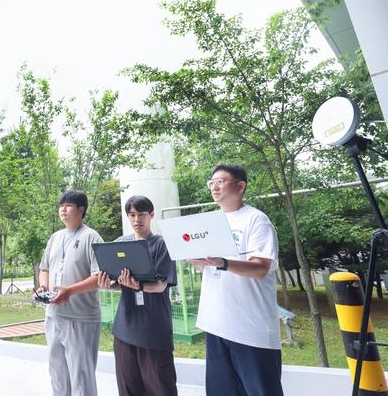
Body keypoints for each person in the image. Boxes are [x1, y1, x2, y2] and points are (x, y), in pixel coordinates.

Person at [188, 164, 283, 396]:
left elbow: (261, 268)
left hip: (250, 329)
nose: (214, 187)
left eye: (221, 181)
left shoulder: (256, 220)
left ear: (240, 187)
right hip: (216, 325)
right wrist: (197, 260)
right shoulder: (209, 223)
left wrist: (223, 262)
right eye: (212, 182)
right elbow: (208, 266)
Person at [98, 195, 178, 396]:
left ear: (151, 215)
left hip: (153, 329)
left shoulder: (162, 245)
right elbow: (120, 283)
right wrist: (108, 285)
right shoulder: (120, 244)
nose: (136, 220)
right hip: (125, 329)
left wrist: (139, 285)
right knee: (127, 387)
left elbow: (161, 286)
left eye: (141, 214)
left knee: (160, 386)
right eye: (132, 215)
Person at [37, 190, 104, 396]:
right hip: (53, 316)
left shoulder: (91, 237)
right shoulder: (55, 237)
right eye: (61, 206)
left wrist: (69, 291)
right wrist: (43, 288)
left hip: (80, 318)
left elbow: (99, 277)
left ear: (81, 210)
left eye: (68, 206)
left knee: (81, 376)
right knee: (57, 374)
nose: (63, 210)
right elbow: (44, 268)